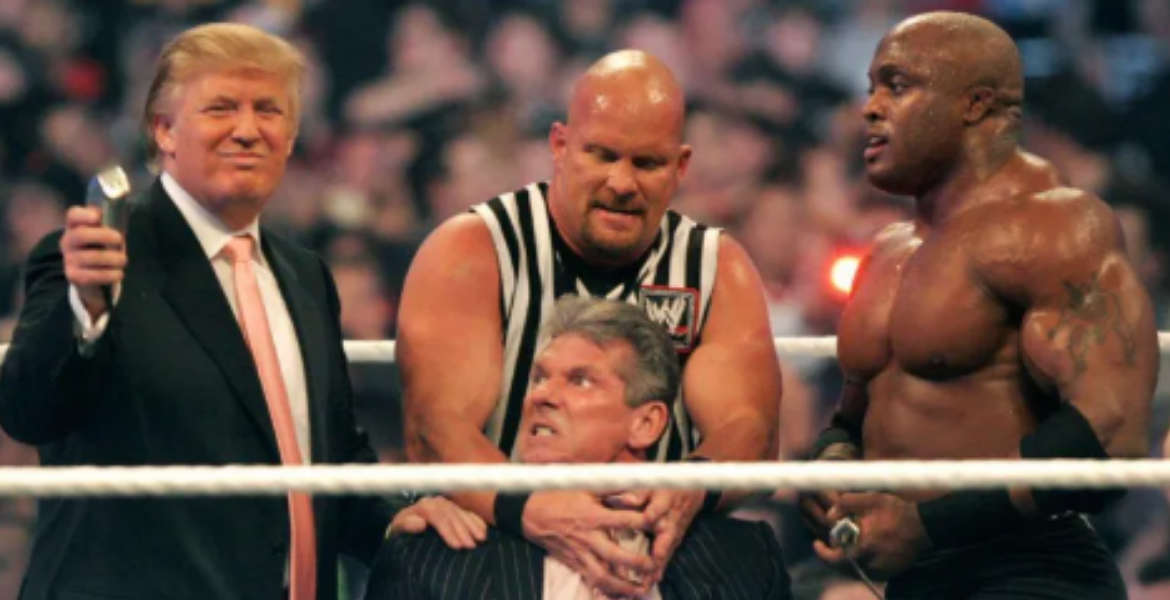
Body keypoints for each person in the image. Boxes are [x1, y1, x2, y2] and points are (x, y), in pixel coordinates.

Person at [0, 23, 478, 600]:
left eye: (269, 111)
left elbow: (328, 459)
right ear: (164, 131)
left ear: (292, 134)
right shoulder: (97, 256)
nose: (248, 130)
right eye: (221, 108)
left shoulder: (303, 275)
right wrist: (87, 307)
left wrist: (394, 519)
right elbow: (29, 412)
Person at [799, 12, 1160, 600]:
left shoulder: (1057, 227)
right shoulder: (891, 250)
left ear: (975, 104)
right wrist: (832, 468)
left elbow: (1108, 434)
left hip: (1031, 574)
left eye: (897, 85)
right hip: (915, 577)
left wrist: (925, 524)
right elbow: (854, 416)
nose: (869, 108)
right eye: (870, 89)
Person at [397, 49, 782, 597]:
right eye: (602, 155)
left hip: (653, 550)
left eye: (646, 163)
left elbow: (751, 430)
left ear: (681, 166)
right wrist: (535, 508)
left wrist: (689, 486)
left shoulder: (718, 268)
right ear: (559, 146)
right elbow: (436, 429)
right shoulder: (473, 250)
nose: (622, 182)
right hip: (496, 553)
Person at [370, 296, 791, 600]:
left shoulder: (744, 556)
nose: (543, 396)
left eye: (579, 380)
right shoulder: (437, 556)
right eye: (538, 378)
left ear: (646, 424)